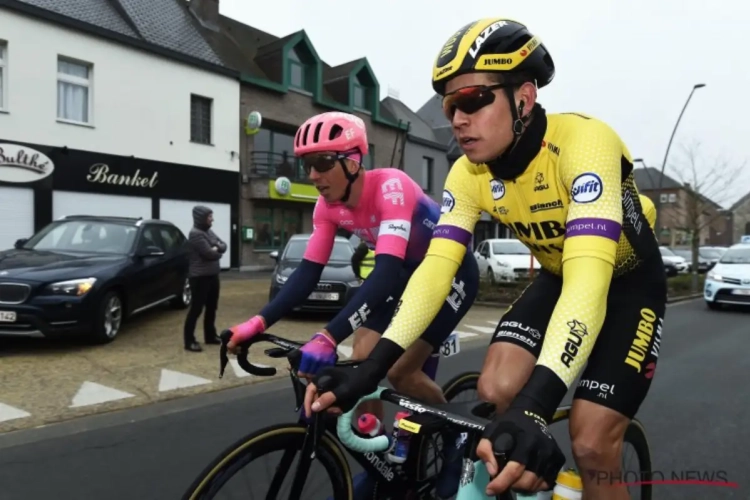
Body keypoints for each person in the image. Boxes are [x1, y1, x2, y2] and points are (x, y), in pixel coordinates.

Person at [305, 18, 667, 500]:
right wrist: (372, 367)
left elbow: (589, 283)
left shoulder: (585, 144)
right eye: (450, 105)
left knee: (591, 441)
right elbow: (436, 272)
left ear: (524, 98)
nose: (457, 118)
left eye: (473, 100)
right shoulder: (467, 173)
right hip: (560, 276)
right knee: (495, 390)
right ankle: (532, 474)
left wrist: (536, 405)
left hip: (627, 285)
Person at [223, 110, 479, 498]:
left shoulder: (392, 187)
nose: (313, 175)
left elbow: (386, 271)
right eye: (307, 164)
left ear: (354, 162)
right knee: (361, 358)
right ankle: (377, 456)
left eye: (323, 162)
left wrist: (328, 336)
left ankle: (457, 438)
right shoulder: (326, 207)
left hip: (451, 273)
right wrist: (255, 324)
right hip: (405, 275)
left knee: (401, 372)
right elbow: (307, 273)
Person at [184, 205, 227, 352]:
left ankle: (210, 335)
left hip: (212, 275)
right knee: (196, 309)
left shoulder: (208, 231)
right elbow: (209, 254)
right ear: (201, 218)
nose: (212, 219)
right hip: (199, 278)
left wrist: (217, 247)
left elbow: (224, 245)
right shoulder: (195, 234)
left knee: (212, 307)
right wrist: (216, 248)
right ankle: (189, 341)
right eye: (209, 217)